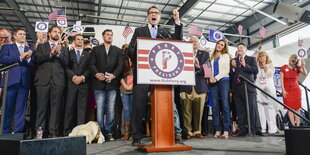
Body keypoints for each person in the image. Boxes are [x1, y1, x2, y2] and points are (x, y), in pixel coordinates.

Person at [127, 6, 183, 145]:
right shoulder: (139, 31)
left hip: (161, 74)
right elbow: (130, 49)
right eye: (151, 13)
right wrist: (135, 53)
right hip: (143, 72)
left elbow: (178, 41)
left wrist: (177, 21)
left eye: (156, 13)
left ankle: (165, 135)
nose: (154, 15)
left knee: (164, 104)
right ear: (148, 16)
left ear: (159, 17)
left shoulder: (164, 31)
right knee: (138, 105)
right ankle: (137, 137)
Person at [34, 26, 68, 138]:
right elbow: (37, 59)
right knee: (41, 108)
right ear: (49, 33)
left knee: (56, 108)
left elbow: (67, 63)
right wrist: (50, 54)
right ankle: (40, 132)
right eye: (55, 32)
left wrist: (58, 54)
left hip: (58, 81)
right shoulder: (41, 46)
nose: (57, 34)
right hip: (42, 81)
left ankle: (53, 132)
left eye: (59, 32)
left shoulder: (63, 49)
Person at [89, 29, 123, 141]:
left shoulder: (117, 50)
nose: (110, 36)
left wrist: (114, 75)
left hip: (112, 84)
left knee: (111, 109)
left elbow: (120, 66)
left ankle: (109, 132)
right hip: (98, 83)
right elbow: (91, 64)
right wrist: (96, 74)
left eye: (111, 35)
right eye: (107, 35)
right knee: (100, 109)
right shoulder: (95, 49)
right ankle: (100, 132)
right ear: (103, 37)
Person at [0, 27, 34, 134]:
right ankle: (4, 132)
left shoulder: (30, 49)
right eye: (20, 34)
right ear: (14, 36)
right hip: (10, 83)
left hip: (24, 83)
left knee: (21, 110)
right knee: (7, 108)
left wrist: (28, 58)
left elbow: (33, 65)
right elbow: (2, 59)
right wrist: (19, 58)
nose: (23, 36)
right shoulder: (7, 47)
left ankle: (18, 133)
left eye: (24, 34)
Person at [180, 36, 209, 139]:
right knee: (186, 111)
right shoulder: (182, 54)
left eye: (195, 41)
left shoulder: (205, 54)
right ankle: (188, 131)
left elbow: (208, 72)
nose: (193, 43)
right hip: (186, 86)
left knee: (199, 112)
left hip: (200, 87)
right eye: (191, 41)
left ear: (198, 43)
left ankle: (197, 131)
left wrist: (198, 67)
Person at [230, 43, 260, 136]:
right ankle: (242, 130)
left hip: (248, 87)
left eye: (241, 47)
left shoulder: (251, 59)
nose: (239, 49)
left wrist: (245, 65)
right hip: (237, 88)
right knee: (240, 111)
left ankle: (252, 130)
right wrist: (233, 68)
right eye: (238, 48)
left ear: (246, 49)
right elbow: (231, 74)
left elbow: (255, 70)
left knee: (251, 110)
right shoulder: (233, 60)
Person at [63, 34, 90, 136]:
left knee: (82, 110)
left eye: (82, 39)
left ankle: (80, 133)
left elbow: (90, 68)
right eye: (78, 39)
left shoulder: (88, 55)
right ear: (74, 41)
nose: (80, 41)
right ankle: (67, 131)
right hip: (71, 84)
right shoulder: (68, 53)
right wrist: (74, 77)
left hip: (83, 85)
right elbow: (65, 67)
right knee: (69, 108)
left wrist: (82, 77)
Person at [209, 39, 231, 138]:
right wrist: (210, 77)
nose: (220, 46)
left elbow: (226, 70)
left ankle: (226, 130)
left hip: (224, 80)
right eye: (218, 44)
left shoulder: (226, 56)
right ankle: (217, 129)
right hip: (213, 81)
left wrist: (216, 78)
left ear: (224, 47)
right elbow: (209, 68)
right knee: (214, 106)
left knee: (225, 105)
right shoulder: (211, 56)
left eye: (222, 45)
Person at [280, 54, 307, 127]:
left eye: (295, 58)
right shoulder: (283, 67)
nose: (293, 59)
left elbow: (305, 73)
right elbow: (281, 80)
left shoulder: (298, 68)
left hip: (296, 90)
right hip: (287, 90)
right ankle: (293, 125)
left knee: (297, 108)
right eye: (292, 57)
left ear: (296, 61)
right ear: (290, 58)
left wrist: (303, 66)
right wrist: (283, 90)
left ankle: (298, 125)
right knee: (289, 108)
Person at [255, 51, 278, 134]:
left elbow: (269, 74)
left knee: (270, 108)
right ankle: (263, 128)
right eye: (260, 57)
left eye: (263, 56)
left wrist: (264, 64)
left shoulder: (270, 65)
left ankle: (272, 128)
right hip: (258, 88)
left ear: (266, 57)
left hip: (268, 89)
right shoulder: (256, 66)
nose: (261, 58)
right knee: (260, 108)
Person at [119, 54, 133, 140]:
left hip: (133, 90)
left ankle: (132, 133)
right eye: (129, 60)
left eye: (131, 60)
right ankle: (126, 133)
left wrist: (131, 86)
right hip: (124, 91)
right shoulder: (123, 69)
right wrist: (125, 85)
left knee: (132, 110)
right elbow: (120, 78)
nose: (131, 62)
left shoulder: (135, 68)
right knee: (126, 110)